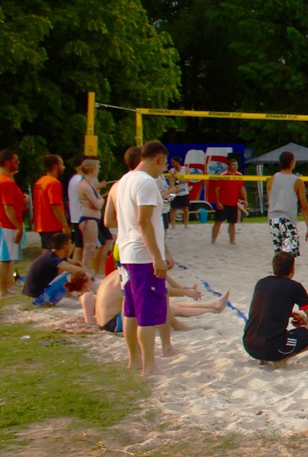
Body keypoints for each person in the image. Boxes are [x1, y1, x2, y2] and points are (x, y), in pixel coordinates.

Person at [103, 140, 171, 376]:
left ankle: (134, 360)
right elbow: (144, 222)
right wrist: (157, 256)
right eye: (164, 164)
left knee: (130, 308)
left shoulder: (124, 180)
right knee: (147, 313)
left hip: (127, 252)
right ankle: (149, 365)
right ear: (158, 159)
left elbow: (114, 219)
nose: (164, 169)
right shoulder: (146, 182)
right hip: (142, 255)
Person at [82, 268, 229, 334]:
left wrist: (183, 289)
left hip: (110, 319)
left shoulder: (122, 270)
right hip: (113, 323)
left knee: (171, 304)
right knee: (165, 305)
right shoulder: (131, 274)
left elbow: (161, 276)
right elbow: (157, 290)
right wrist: (184, 292)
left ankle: (213, 305)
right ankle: (183, 323)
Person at [243, 252, 308, 367]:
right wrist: (305, 321)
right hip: (273, 347)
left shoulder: (261, 283)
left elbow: (264, 309)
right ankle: (282, 358)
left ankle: (263, 359)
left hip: (249, 345)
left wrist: (290, 314)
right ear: (292, 269)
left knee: (270, 332)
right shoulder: (295, 287)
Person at [266, 151, 308, 257]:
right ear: (292, 162)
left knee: (278, 254)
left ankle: (278, 273)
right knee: (289, 256)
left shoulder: (271, 179)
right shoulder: (297, 181)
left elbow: (269, 202)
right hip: (286, 220)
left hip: (273, 220)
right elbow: (304, 207)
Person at [23, 232, 91, 305]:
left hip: (37, 294)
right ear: (64, 246)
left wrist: (88, 274)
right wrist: (89, 276)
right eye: (70, 243)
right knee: (71, 274)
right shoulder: (52, 259)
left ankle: (82, 295)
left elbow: (78, 263)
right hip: (38, 298)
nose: (72, 245)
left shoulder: (53, 255)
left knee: (74, 274)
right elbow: (79, 271)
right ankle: (87, 296)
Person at [0, 150, 27, 297]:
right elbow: (8, 206)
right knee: (5, 258)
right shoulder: (5, 182)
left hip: (7, 223)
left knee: (9, 257)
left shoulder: (7, 180)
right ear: (7, 163)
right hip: (6, 224)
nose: (18, 163)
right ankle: (3, 290)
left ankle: (8, 284)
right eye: (15, 161)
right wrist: (18, 227)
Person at [33, 155, 70, 251]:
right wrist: (65, 225)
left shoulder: (39, 182)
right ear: (55, 166)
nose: (64, 167)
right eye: (62, 164)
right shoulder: (54, 183)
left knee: (46, 252)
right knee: (56, 253)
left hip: (42, 224)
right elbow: (55, 205)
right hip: (52, 225)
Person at [210, 157, 246, 245]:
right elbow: (217, 189)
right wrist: (218, 202)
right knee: (218, 222)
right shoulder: (223, 175)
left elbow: (241, 188)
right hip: (223, 203)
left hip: (233, 203)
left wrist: (245, 199)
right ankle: (213, 241)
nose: (235, 166)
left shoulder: (239, 175)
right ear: (229, 166)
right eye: (233, 165)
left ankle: (232, 241)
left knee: (232, 223)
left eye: (236, 165)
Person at [168, 157, 191, 227]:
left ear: (178, 162)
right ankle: (173, 225)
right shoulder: (171, 171)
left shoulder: (185, 169)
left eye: (173, 162)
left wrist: (178, 178)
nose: (172, 164)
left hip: (184, 192)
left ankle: (186, 224)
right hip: (175, 193)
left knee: (186, 208)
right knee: (173, 209)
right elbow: (170, 182)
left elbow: (187, 180)